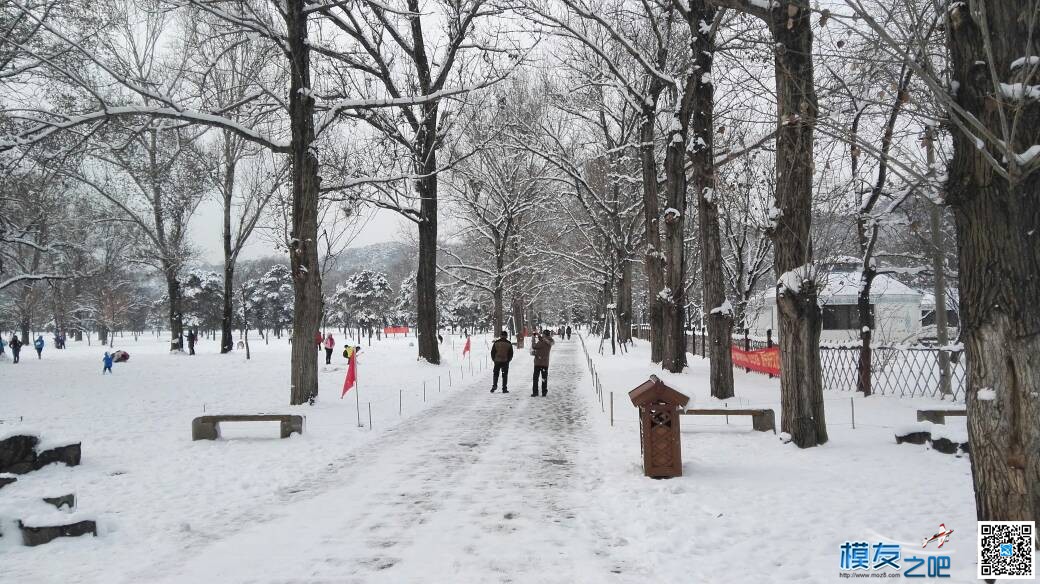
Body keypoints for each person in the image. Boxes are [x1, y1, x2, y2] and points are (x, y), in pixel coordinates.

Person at [530, 329, 555, 397]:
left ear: (544, 334)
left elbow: (534, 346)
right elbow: (545, 341)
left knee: (535, 378)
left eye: (543, 334)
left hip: (538, 362)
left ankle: (535, 392)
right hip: (545, 363)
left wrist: (533, 339)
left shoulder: (542, 342)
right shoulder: (550, 341)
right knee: (544, 378)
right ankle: (544, 392)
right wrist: (539, 336)